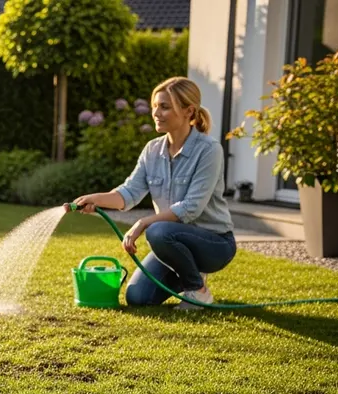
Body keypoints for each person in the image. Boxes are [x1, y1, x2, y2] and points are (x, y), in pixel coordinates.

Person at [69, 76, 235, 310]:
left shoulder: (209, 150)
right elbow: (128, 193)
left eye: (165, 107)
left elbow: (191, 208)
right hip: (171, 241)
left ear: (188, 111)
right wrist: (95, 199)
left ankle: (197, 291)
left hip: (214, 243)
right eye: (155, 106)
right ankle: (191, 275)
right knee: (138, 298)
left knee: (157, 231)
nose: (156, 113)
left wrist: (143, 223)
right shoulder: (152, 149)